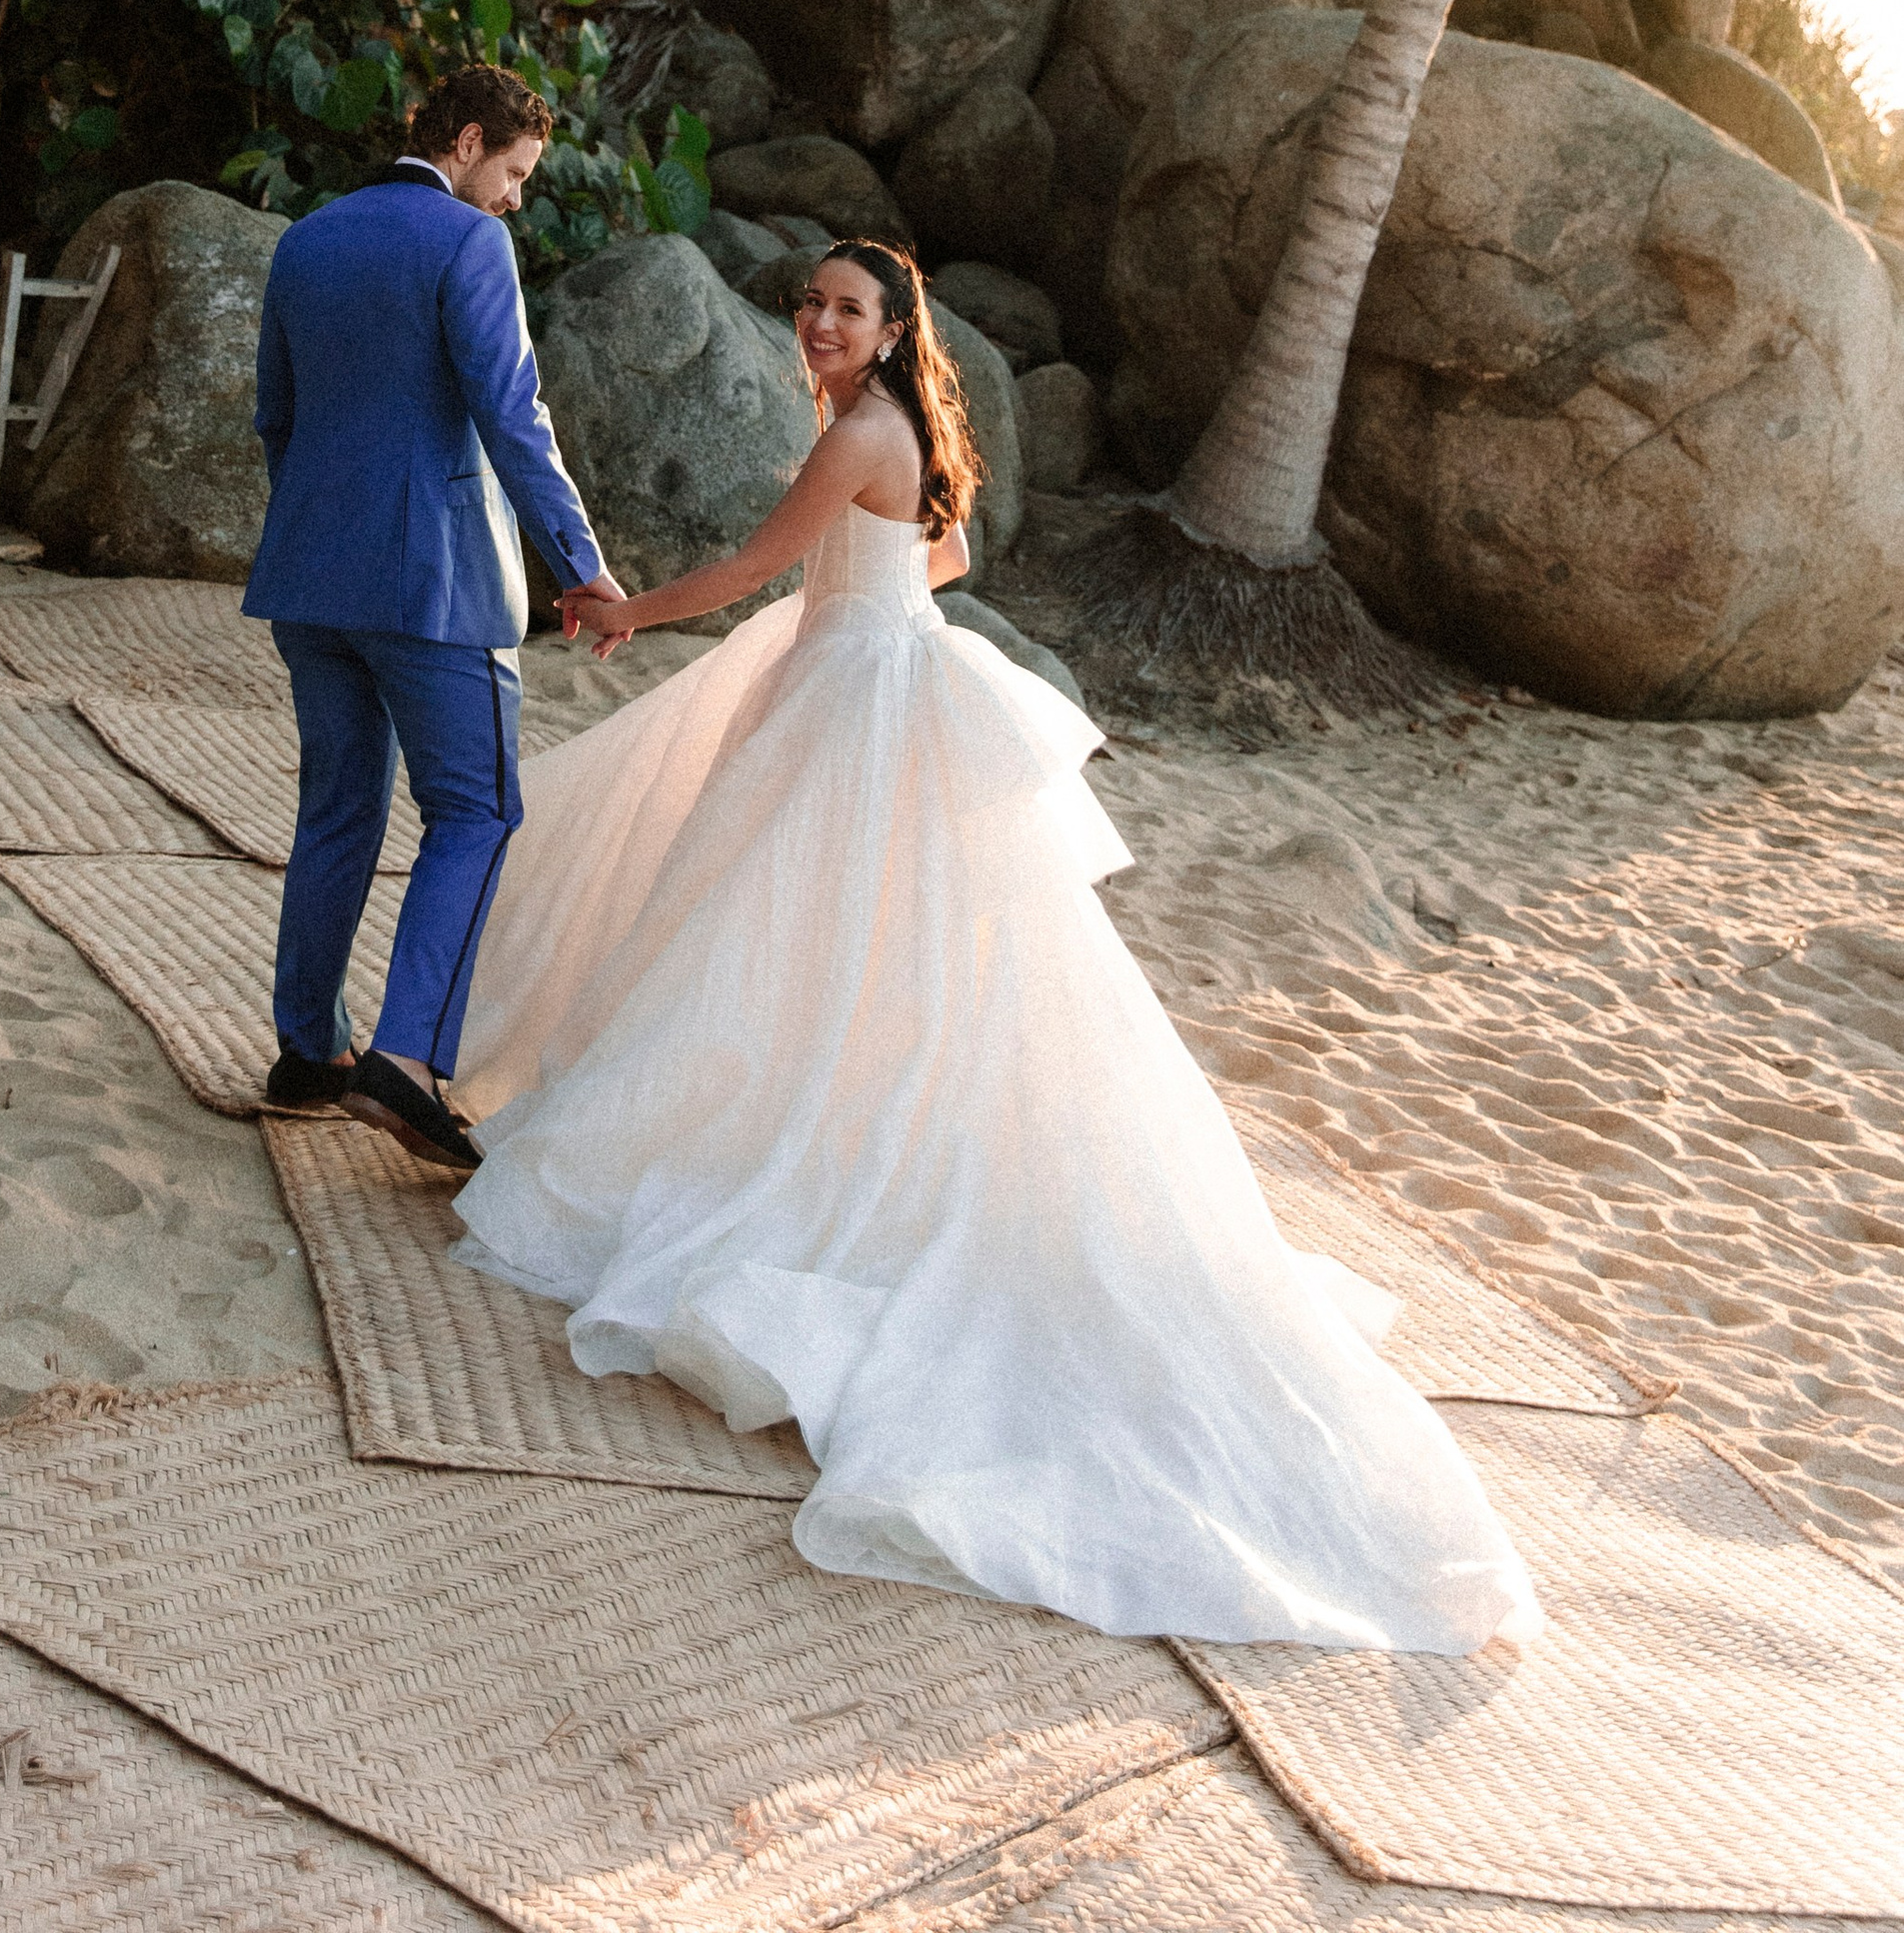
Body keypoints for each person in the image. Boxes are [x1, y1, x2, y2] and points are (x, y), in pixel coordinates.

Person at [448, 239, 1541, 1657]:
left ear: (891, 328)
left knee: (781, 923)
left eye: (846, 310)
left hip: (853, 694)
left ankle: (773, 1140)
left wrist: (620, 610)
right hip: (885, 672)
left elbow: (756, 567)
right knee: (844, 939)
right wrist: (876, 597)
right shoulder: (906, 428)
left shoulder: (860, 434)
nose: (819, 322)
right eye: (811, 304)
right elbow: (949, 552)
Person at [246, 62, 623, 1172]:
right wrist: (583, 568)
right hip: (435, 580)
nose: (515, 198)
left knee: (337, 809)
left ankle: (308, 1052)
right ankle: (404, 1062)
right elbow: (513, 417)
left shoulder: (306, 239)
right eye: (514, 171)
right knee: (476, 811)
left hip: (311, 576)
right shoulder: (469, 244)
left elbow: (276, 418)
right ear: (465, 143)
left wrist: (319, 527)